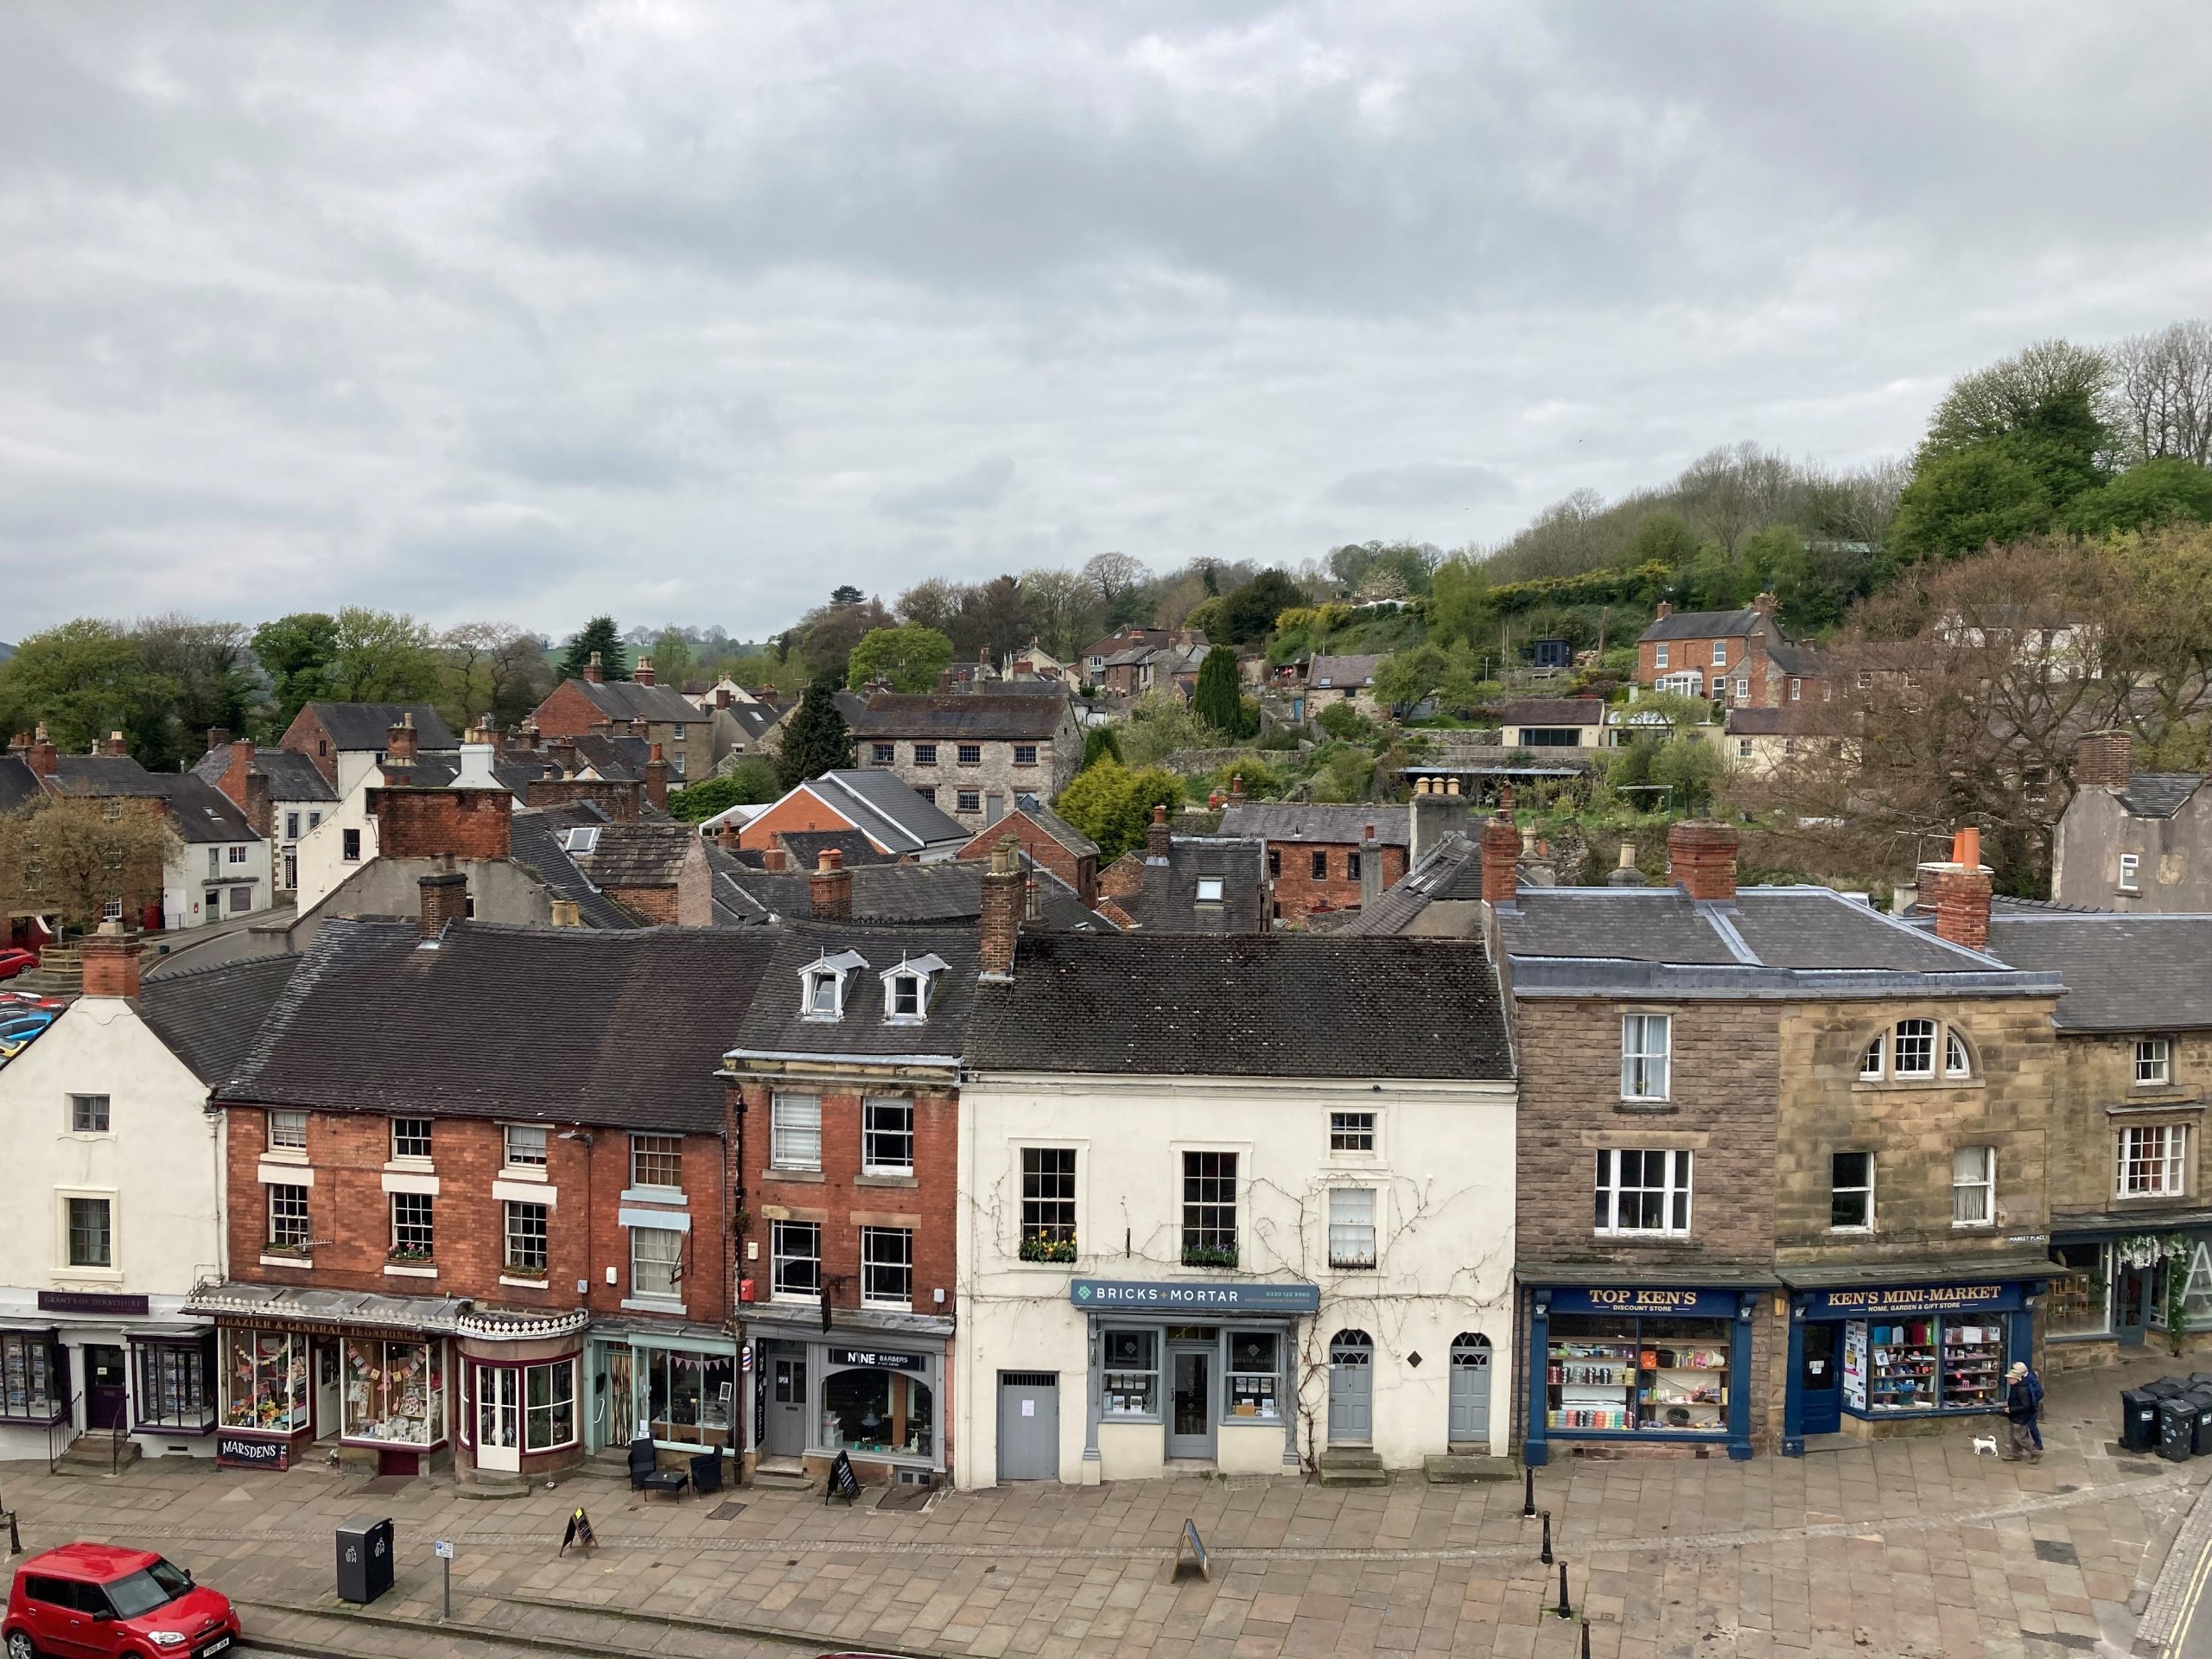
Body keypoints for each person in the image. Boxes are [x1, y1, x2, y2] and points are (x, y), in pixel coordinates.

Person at [2003, 1361, 2041, 1462]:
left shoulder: (2022, 1390)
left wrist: (2011, 1409)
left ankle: (2036, 1453)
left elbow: (2025, 1406)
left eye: (2010, 1378)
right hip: (2015, 1416)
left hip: (2021, 1417)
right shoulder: (2016, 1387)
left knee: (2020, 1437)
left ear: (2016, 1379)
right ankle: (2015, 1454)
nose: (2008, 1380)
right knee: (2013, 1437)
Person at [2025, 1361, 2045, 1452]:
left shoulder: (2031, 1380)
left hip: (2032, 1407)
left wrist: (2033, 1401)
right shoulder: (2026, 1378)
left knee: (2031, 1425)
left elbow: (2040, 1393)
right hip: (2026, 1406)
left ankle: (2038, 1445)